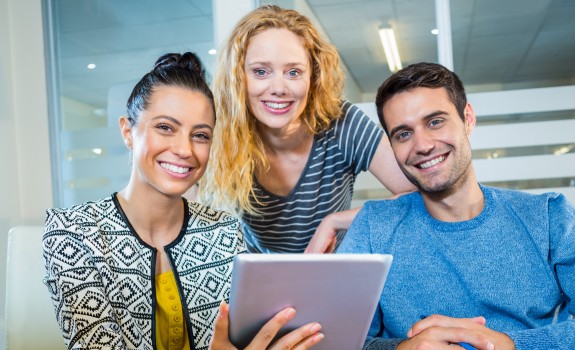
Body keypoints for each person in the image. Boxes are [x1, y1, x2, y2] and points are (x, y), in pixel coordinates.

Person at [42, 52, 323, 350]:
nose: (184, 149)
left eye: (200, 135)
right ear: (128, 132)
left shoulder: (223, 232)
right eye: (165, 127)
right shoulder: (73, 232)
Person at [337, 62, 575, 350]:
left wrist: (508, 344)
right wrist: (401, 348)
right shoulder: (374, 227)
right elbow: (340, 339)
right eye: (403, 134)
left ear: (468, 119)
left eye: (435, 122)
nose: (422, 145)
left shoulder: (548, 216)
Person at [199, 5, 414, 254]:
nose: (278, 87)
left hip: (332, 279)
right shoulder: (221, 134)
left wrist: (335, 222)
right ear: (238, 78)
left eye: (293, 72)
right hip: (263, 281)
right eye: (260, 71)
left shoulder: (342, 123)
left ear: (313, 78)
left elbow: (417, 195)